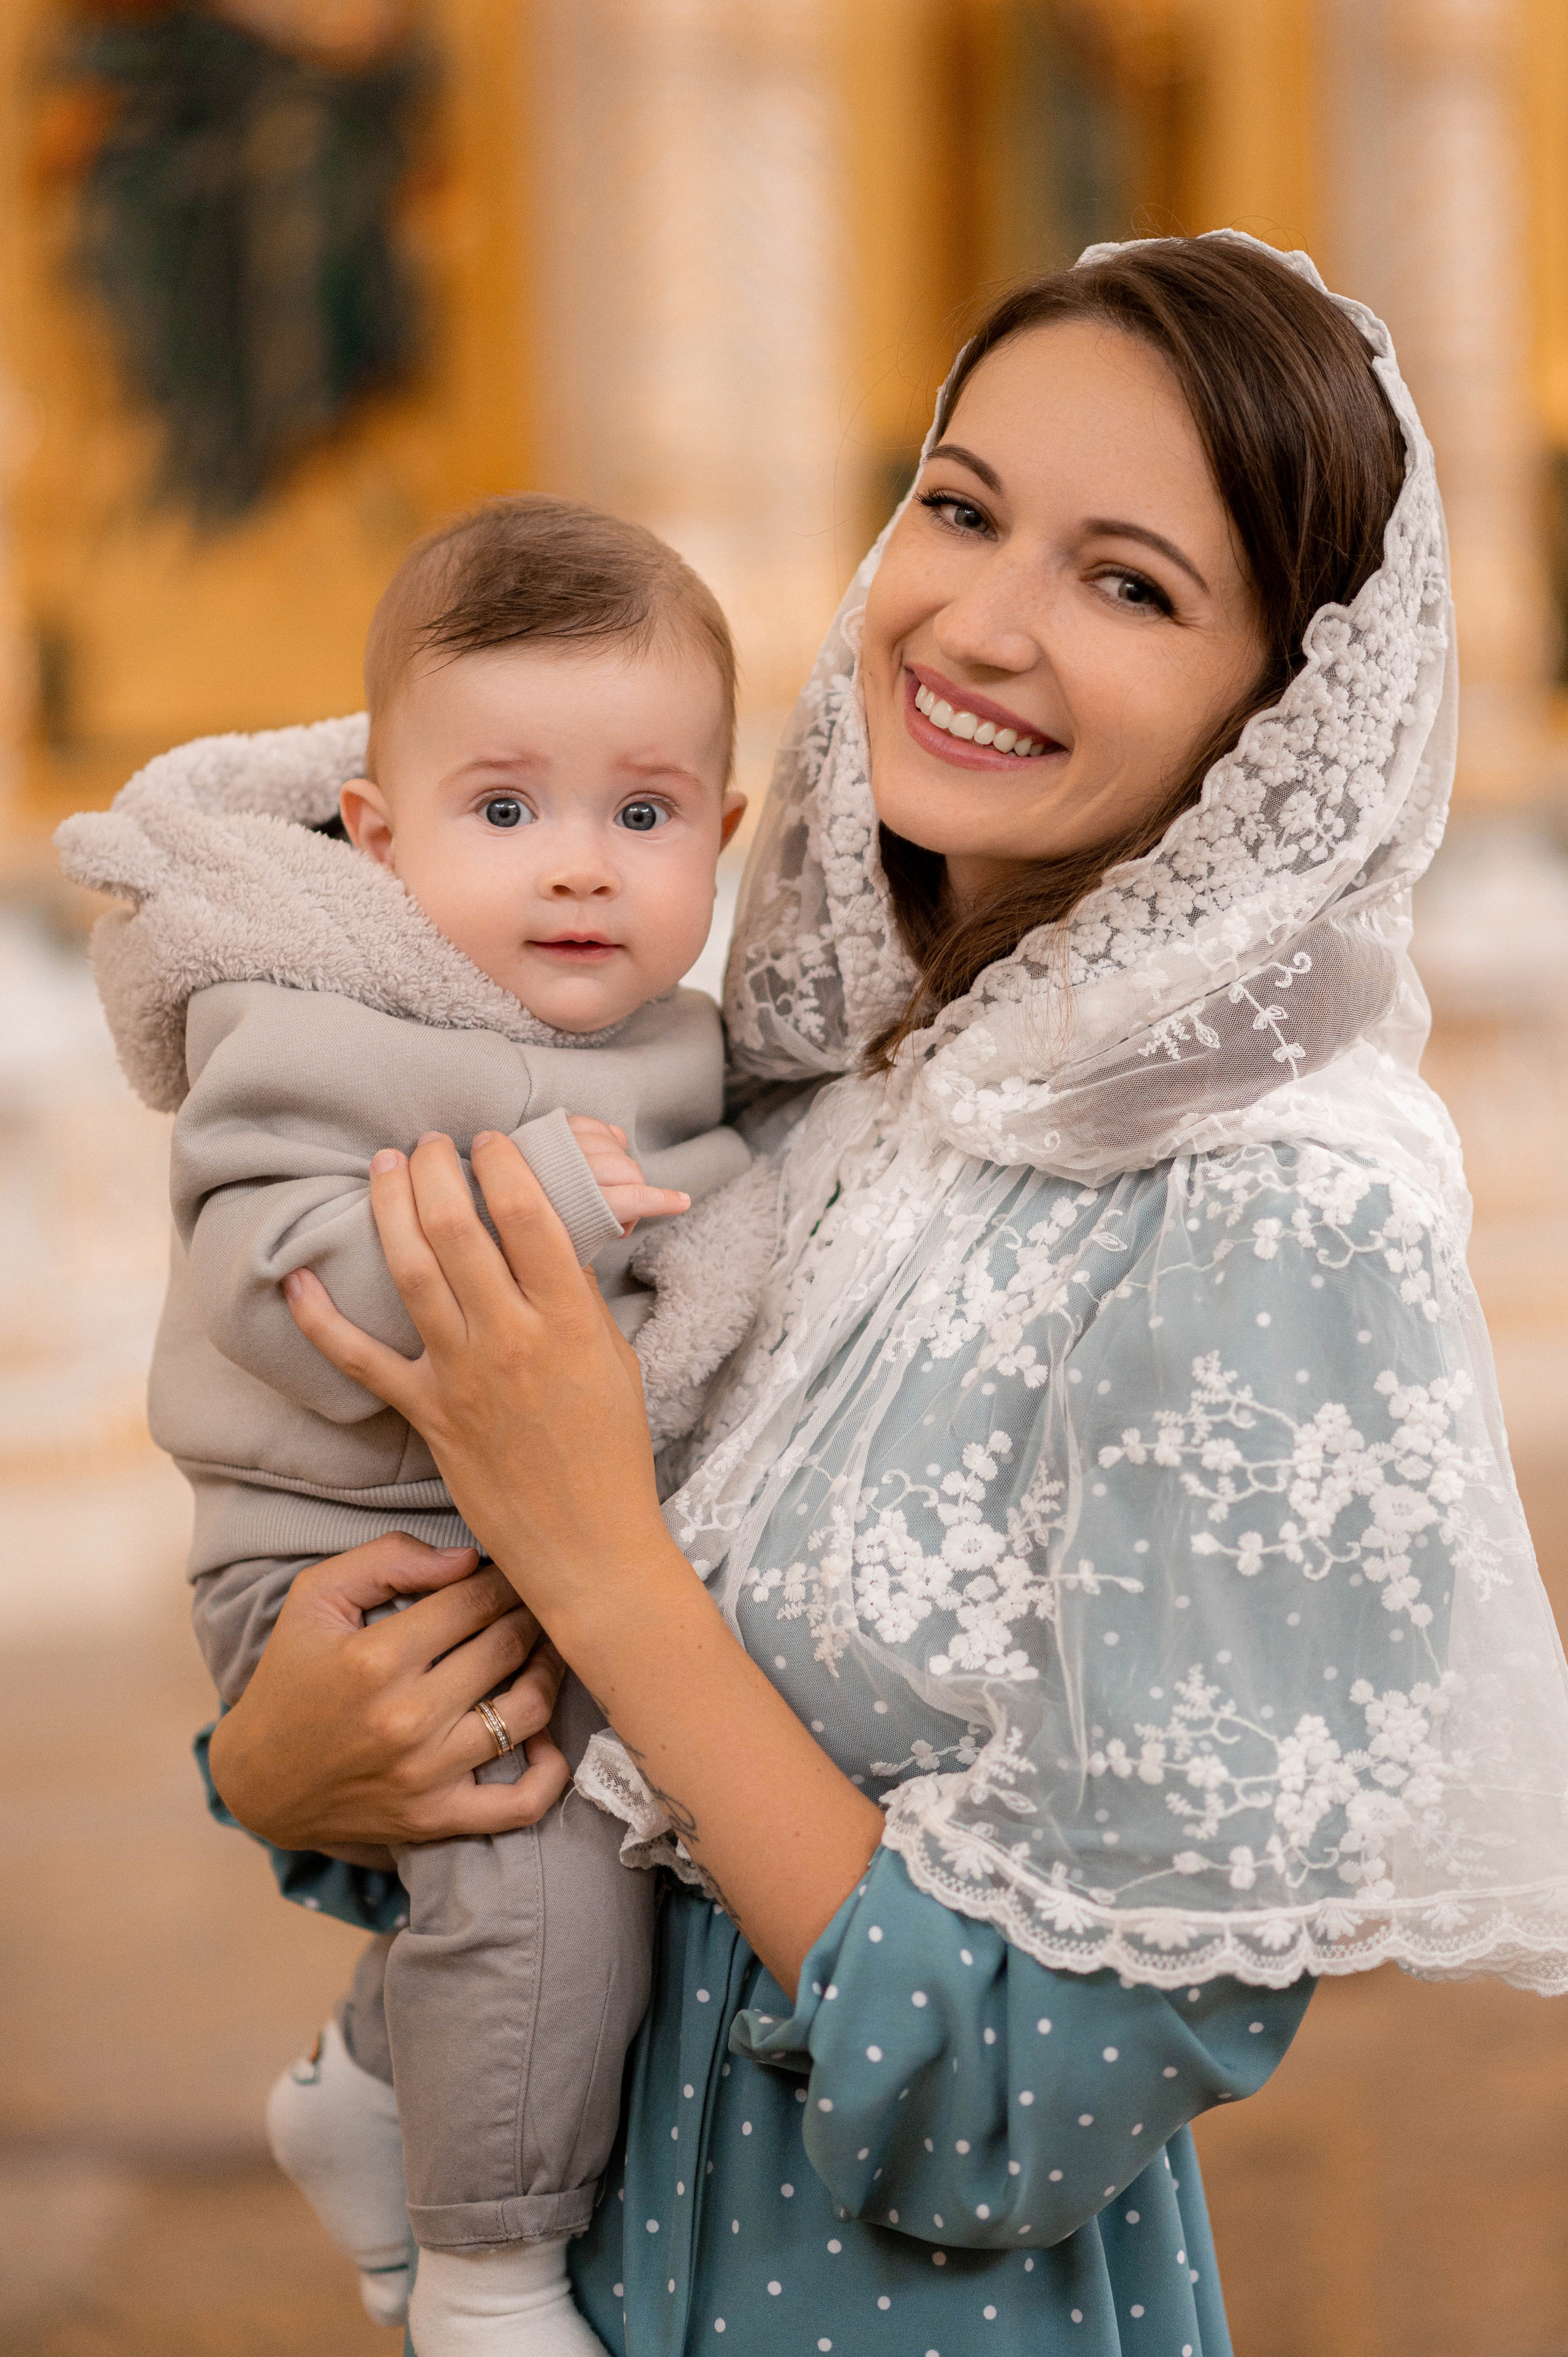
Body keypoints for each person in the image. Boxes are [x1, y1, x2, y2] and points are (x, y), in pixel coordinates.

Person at [208, 235, 1568, 2357]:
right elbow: (505, 1767)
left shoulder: (1274, 1215)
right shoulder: (815, 1081)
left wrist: (600, 1559)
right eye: (960, 505)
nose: (983, 623)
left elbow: (1028, 2107)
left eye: (1131, 585)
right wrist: (288, 1770)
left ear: (1281, 707)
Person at [56, 498, 781, 2357]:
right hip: (343, 1563)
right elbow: (272, 1283)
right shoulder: (310, 1020)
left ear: (724, 835)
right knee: (543, 1866)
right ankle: (487, 2273)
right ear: (378, 837)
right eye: (505, 809)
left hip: (533, 1546)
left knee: (637, 1851)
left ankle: (375, 2083)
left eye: (642, 815)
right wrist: (537, 1206)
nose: (580, 869)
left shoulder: (678, 1041)